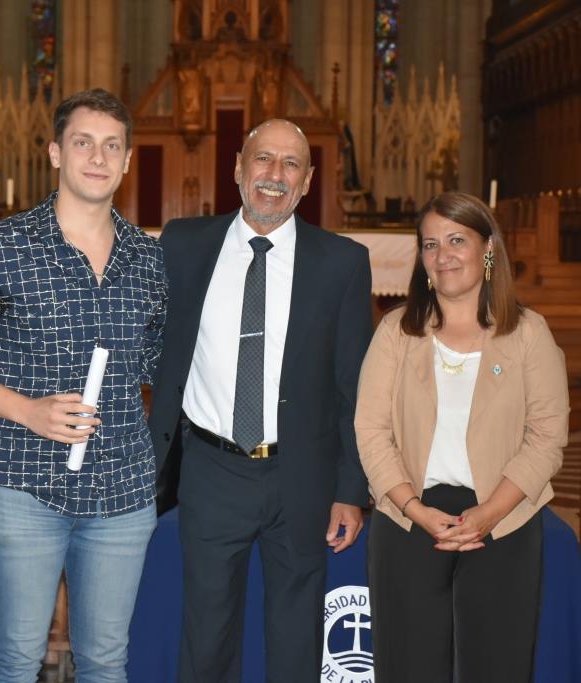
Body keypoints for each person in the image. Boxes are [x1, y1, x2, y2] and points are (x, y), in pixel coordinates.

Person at [0, 88, 167, 682]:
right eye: (83, 142)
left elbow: (163, 363)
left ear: (128, 160)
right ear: (56, 152)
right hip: (23, 481)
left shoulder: (149, 259)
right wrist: (26, 410)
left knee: (106, 661)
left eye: (113, 146)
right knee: (16, 657)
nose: (98, 156)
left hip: (122, 490)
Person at [148, 118, 374, 681]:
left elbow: (355, 386)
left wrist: (351, 489)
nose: (274, 175)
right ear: (238, 169)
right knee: (206, 632)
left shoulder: (341, 262)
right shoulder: (182, 243)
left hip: (303, 473)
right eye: (263, 160)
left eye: (290, 164)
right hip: (210, 468)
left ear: (307, 180)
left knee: (297, 632)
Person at [355, 191, 568, 682]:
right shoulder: (395, 332)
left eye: (456, 240)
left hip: (504, 520)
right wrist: (413, 508)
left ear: (487, 247)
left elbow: (547, 436)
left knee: (496, 666)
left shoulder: (529, 333)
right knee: (408, 667)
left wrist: (488, 516)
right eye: (430, 244)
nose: (442, 255)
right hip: (409, 520)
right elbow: (370, 429)